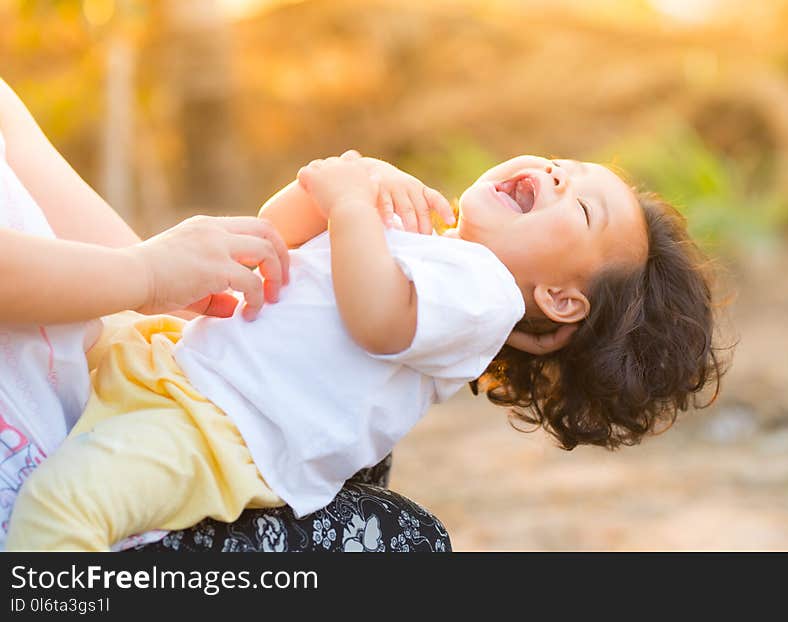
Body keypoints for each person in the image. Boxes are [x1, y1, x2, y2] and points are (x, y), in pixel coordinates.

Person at [6, 148, 726, 551]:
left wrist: (354, 206)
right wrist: (329, 186)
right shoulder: (428, 235)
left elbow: (377, 318)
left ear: (563, 300)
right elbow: (274, 236)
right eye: (566, 165)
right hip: (173, 370)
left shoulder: (483, 295)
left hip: (214, 432)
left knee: (63, 514)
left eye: (582, 204)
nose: (560, 176)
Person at [0, 78, 452, 552]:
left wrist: (200, 303)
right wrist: (148, 273)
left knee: (337, 436)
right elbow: (143, 271)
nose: (541, 173)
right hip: (44, 494)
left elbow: (119, 256)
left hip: (81, 399)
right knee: (401, 540)